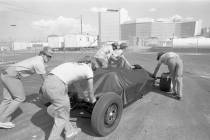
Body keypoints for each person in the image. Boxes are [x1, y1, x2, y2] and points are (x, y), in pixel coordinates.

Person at [40, 56, 97, 140]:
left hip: (46, 85)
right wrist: (92, 100)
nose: (92, 69)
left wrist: (84, 98)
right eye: (93, 67)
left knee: (64, 111)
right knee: (61, 118)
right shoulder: (88, 69)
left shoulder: (73, 65)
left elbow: (78, 87)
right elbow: (90, 90)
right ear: (90, 63)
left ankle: (70, 131)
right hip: (57, 86)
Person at [0, 47, 53, 129]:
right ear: (42, 54)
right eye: (47, 56)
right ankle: (2, 120)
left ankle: (1, 119)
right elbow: (45, 79)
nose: (49, 58)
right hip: (12, 76)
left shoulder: (37, 59)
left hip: (5, 73)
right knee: (20, 98)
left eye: (50, 56)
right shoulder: (39, 62)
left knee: (7, 99)